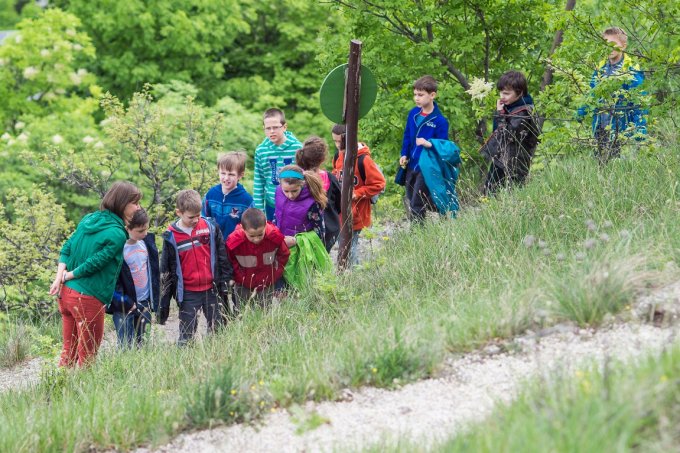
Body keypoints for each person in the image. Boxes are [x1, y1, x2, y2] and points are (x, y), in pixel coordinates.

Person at [49, 181, 142, 367]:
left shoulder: (89, 219)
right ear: (122, 204)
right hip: (87, 299)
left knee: (68, 352)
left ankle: (57, 392)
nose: (139, 208)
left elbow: (67, 247)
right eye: (135, 203)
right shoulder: (117, 233)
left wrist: (60, 276)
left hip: (65, 295)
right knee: (88, 359)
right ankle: (82, 395)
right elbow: (95, 263)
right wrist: (67, 275)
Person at [158, 189, 232, 346]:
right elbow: (166, 269)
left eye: (198, 215)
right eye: (191, 217)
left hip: (212, 289)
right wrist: (163, 301)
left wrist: (225, 282)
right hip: (188, 293)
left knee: (218, 330)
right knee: (186, 334)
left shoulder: (210, 228)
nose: (195, 219)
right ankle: (184, 360)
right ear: (179, 212)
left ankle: (217, 357)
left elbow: (221, 256)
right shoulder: (171, 236)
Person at [577, 27, 646, 163]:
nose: (609, 48)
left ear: (623, 45)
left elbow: (640, 103)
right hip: (601, 128)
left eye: (613, 44)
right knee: (600, 165)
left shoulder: (631, 70)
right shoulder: (600, 68)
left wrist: (640, 130)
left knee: (619, 168)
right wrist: (582, 111)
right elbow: (592, 94)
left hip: (622, 131)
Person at [331, 124, 386, 265]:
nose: (337, 145)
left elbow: (379, 184)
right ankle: (348, 274)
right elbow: (336, 174)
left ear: (350, 138)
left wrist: (357, 193)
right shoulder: (338, 155)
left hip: (357, 213)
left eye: (340, 141)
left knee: (349, 248)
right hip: (340, 212)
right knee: (344, 247)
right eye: (334, 141)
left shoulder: (363, 159)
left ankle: (354, 277)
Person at [399, 75, 450, 221]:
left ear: (432, 95)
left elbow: (443, 146)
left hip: (426, 166)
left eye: (421, 95)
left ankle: (417, 234)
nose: (417, 98)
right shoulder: (413, 114)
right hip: (411, 163)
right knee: (411, 196)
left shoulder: (440, 121)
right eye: (415, 94)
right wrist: (404, 153)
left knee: (417, 202)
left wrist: (429, 143)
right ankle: (441, 209)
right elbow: (407, 135)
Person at [479, 70, 539, 195]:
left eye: (506, 93)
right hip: (501, 159)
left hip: (516, 163)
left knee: (514, 196)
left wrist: (500, 113)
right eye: (501, 92)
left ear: (520, 93)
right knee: (489, 193)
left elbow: (507, 134)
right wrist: (501, 112)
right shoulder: (510, 106)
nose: (502, 96)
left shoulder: (524, 111)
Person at [106, 208, 159, 348]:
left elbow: (153, 272)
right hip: (124, 306)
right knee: (125, 345)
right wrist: (125, 302)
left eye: (146, 229)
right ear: (127, 228)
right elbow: (111, 281)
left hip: (144, 302)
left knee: (143, 343)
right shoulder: (118, 248)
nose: (145, 233)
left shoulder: (147, 243)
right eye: (140, 231)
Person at [274, 165, 331, 289]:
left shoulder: (311, 203)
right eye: (286, 191)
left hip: (301, 251)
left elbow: (319, 233)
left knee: (299, 284)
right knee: (281, 285)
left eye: (294, 191)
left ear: (302, 184)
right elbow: (276, 216)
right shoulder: (278, 192)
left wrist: (296, 241)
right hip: (281, 246)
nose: (290, 195)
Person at [226, 208, 290, 308]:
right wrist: (240, 278)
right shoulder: (234, 242)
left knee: (265, 312)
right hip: (243, 285)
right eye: (251, 236)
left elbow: (284, 254)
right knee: (243, 312)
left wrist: (275, 274)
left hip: (267, 284)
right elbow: (230, 261)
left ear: (265, 225)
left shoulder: (274, 237)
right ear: (243, 228)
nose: (256, 239)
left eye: (260, 234)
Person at [253, 108, 303, 221]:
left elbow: (305, 176)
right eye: (268, 128)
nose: (272, 131)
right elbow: (259, 182)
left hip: (295, 202)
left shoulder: (298, 148)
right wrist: (260, 210)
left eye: (275, 127)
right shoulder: (261, 151)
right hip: (272, 205)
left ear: (284, 127)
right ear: (264, 129)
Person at [295, 136, 341, 252]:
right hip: (329, 228)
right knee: (323, 260)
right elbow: (339, 205)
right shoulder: (330, 178)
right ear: (323, 159)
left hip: (304, 232)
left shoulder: (296, 179)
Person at [202, 151, 254, 239]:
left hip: (236, 247)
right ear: (218, 172)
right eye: (223, 173)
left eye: (231, 174)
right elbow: (203, 219)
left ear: (240, 175)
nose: (226, 178)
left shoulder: (246, 201)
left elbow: (250, 228)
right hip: (213, 246)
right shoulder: (210, 195)